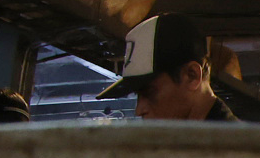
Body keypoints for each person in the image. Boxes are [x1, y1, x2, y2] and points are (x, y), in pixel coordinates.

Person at [98, 14, 234, 121]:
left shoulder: (233, 151)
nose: (139, 110)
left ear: (192, 76)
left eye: (150, 92)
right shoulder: (204, 147)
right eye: (137, 96)